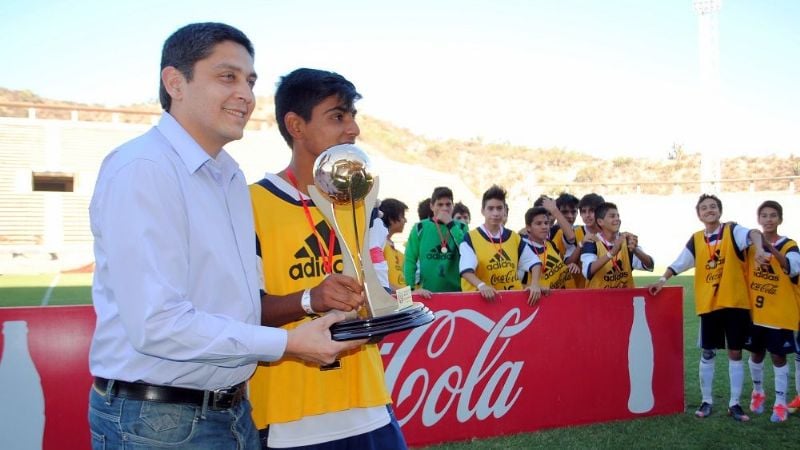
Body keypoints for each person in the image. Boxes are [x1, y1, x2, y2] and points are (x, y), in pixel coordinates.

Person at [87, 24, 358, 449]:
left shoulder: (229, 175)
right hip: (156, 421)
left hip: (229, 409)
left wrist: (310, 304)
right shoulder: (142, 169)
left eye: (250, 81)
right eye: (227, 77)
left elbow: (237, 302)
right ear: (175, 82)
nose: (246, 95)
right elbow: (157, 324)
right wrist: (288, 343)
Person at [248, 68, 407, 449]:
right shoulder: (248, 203)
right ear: (296, 126)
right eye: (338, 116)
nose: (352, 129)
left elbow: (379, 295)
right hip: (289, 420)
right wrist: (310, 298)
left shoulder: (362, 202)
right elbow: (239, 312)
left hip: (369, 407)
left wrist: (386, 305)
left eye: (353, 116)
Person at [648, 194, 770, 422]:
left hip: (735, 303)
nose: (709, 210)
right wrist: (662, 281)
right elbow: (678, 263)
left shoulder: (732, 230)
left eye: (713, 206)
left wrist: (760, 248)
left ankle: (734, 404)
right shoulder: (696, 239)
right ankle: (707, 401)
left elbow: (754, 232)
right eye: (704, 208)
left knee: (736, 352)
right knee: (707, 353)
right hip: (709, 304)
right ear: (699, 215)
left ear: (719, 211)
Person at [744, 201, 799, 422]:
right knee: (756, 354)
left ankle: (780, 403)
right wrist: (760, 243)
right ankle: (758, 394)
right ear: (759, 219)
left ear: (780, 219)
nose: (768, 219)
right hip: (756, 313)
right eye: (764, 215)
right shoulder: (751, 246)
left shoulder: (790, 245)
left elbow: (790, 266)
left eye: (773, 215)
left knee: (778, 357)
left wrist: (769, 247)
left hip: (780, 314)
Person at [459, 185, 542, 305]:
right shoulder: (470, 237)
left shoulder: (513, 237)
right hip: (481, 304)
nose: (496, 213)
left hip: (512, 303)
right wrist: (482, 286)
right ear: (482, 211)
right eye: (491, 208)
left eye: (499, 208)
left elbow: (534, 263)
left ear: (504, 210)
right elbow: (466, 271)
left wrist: (535, 285)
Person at [404, 186, 469, 297]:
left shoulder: (462, 227)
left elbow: (466, 251)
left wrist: (450, 224)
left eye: (448, 204)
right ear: (432, 206)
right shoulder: (420, 227)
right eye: (440, 204)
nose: (444, 208)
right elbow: (410, 260)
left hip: (457, 294)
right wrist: (411, 290)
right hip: (426, 294)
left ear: (452, 206)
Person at [580, 202, 654, 288]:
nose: (617, 219)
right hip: (599, 300)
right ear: (600, 222)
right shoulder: (592, 242)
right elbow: (587, 271)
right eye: (612, 216)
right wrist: (611, 253)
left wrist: (635, 249)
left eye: (618, 216)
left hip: (624, 299)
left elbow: (650, 265)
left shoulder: (626, 240)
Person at [524, 206, 577, 289]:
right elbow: (519, 284)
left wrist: (571, 266)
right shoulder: (523, 249)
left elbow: (561, 266)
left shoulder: (550, 244)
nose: (544, 227)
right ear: (528, 228)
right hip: (543, 300)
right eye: (539, 223)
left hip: (568, 296)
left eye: (546, 223)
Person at [380, 198, 409, 292]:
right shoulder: (379, 246)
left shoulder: (394, 249)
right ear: (391, 219)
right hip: (389, 303)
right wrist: (408, 294)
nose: (405, 220)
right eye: (402, 216)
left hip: (401, 302)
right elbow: (378, 281)